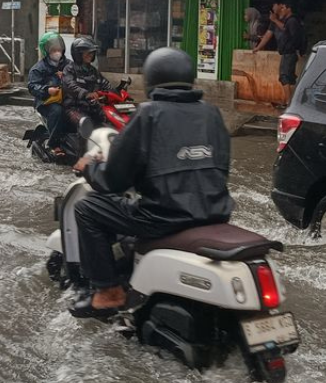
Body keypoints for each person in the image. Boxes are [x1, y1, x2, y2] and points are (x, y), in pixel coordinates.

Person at [70, 48, 233, 315]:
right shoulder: (212, 114)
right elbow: (222, 167)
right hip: (215, 213)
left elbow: (113, 181)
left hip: (164, 217)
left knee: (87, 209)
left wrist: (91, 168)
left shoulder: (148, 114)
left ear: (151, 79)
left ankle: (108, 292)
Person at [27, 33, 70, 154]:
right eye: (54, 50)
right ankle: (54, 144)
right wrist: (47, 90)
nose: (57, 52)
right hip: (46, 102)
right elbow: (32, 86)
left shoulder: (68, 65)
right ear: (46, 51)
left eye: (59, 49)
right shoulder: (38, 69)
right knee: (57, 111)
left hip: (67, 99)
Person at [61, 37, 111, 130]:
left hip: (92, 107)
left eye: (92, 52)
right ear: (78, 54)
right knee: (85, 124)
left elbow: (104, 83)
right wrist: (87, 94)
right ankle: (82, 145)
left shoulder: (93, 71)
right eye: (87, 52)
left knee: (109, 120)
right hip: (73, 108)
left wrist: (117, 92)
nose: (90, 55)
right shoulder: (69, 69)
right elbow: (71, 86)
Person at [275, 1, 306, 106]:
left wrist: (295, 49)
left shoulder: (292, 21)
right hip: (288, 52)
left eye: (283, 8)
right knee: (290, 77)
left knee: (284, 76)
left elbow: (295, 38)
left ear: (289, 9)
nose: (281, 10)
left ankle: (289, 102)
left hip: (289, 53)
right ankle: (291, 100)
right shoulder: (290, 21)